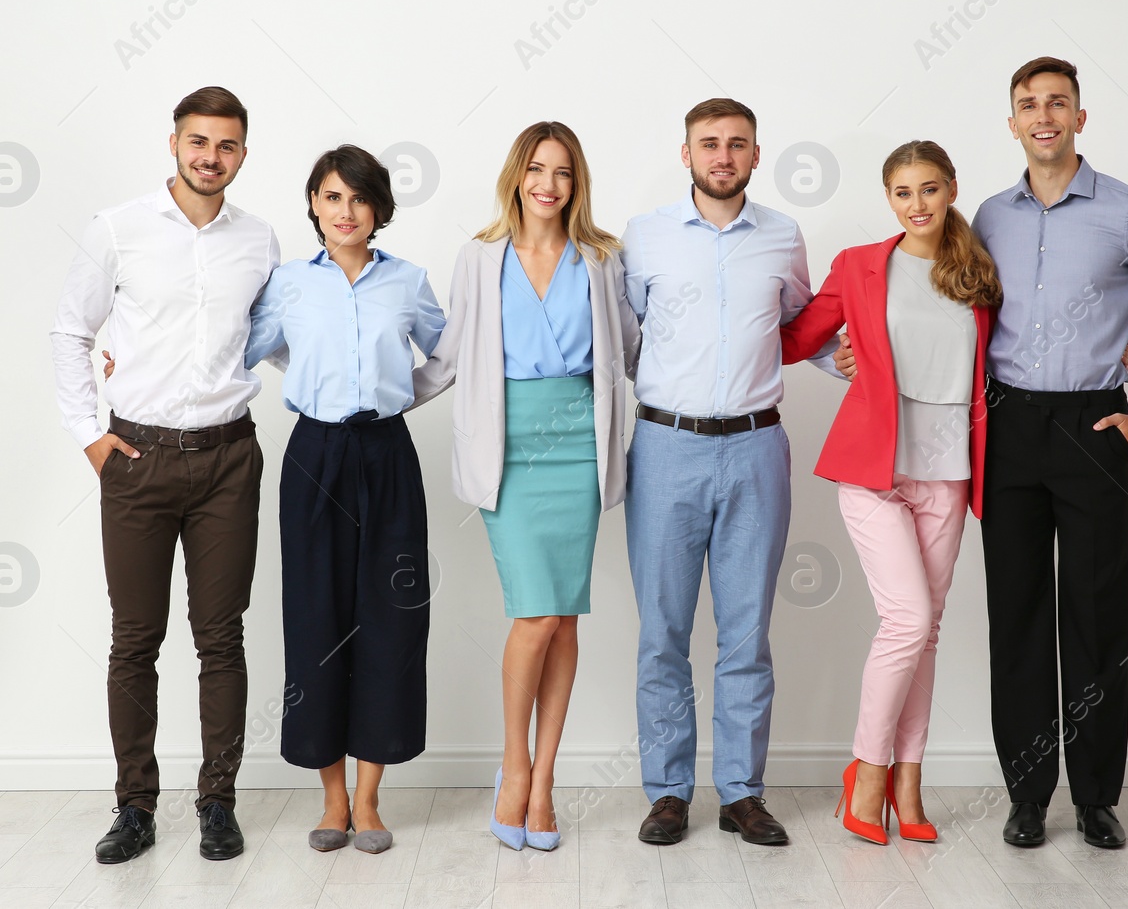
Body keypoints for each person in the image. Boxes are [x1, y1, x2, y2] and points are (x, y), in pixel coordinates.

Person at [835, 58, 1128, 850]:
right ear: (1010, 123)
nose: (1043, 115)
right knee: (1016, 616)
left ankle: (1097, 797)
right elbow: (932, 313)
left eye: (1057, 103)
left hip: (1095, 426)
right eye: (1027, 105)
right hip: (1004, 427)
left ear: (1081, 116)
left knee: (1097, 613)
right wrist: (853, 355)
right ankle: (1028, 795)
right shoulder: (984, 219)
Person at [51, 87, 278, 864]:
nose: (210, 157)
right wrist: (91, 436)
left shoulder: (261, 240)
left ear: (243, 154)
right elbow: (71, 330)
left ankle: (218, 800)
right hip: (138, 460)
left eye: (226, 145)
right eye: (197, 141)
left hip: (227, 460)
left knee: (221, 637)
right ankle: (135, 806)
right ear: (174, 143)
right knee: (134, 639)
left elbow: (277, 340)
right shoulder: (118, 228)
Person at [412, 121, 640, 851]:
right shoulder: (479, 258)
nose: (548, 183)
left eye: (563, 172)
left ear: (578, 184)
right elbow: (447, 358)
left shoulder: (604, 258)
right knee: (536, 614)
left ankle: (544, 782)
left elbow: (635, 349)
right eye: (537, 169)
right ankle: (514, 769)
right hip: (508, 446)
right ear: (516, 176)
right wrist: (363, 395)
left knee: (564, 615)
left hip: (580, 443)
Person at [621, 97, 840, 847]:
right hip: (665, 448)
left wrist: (858, 358)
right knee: (663, 631)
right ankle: (668, 792)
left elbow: (801, 326)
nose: (723, 155)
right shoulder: (645, 237)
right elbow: (624, 336)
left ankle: (743, 792)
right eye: (709, 144)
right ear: (685, 154)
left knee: (747, 634)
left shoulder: (782, 236)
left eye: (737, 144)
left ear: (756, 154)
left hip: (755, 449)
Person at [780, 141, 998, 846]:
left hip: (950, 470)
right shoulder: (860, 265)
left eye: (930, 189)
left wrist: (1105, 346)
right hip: (875, 472)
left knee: (926, 628)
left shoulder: (979, 270)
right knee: (906, 618)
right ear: (889, 199)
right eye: (903, 193)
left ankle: (910, 781)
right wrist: (837, 359)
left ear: (952, 188)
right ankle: (867, 772)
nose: (918, 204)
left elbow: (1024, 343)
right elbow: (793, 337)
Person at [244, 144, 444, 855]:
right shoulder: (291, 282)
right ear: (314, 206)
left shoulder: (408, 281)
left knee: (391, 618)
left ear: (379, 208)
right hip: (315, 457)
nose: (346, 211)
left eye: (359, 198)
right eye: (332, 197)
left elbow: (447, 355)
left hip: (387, 453)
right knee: (317, 617)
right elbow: (248, 349)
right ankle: (332, 799)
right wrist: (315, 384)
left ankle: (370, 798)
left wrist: (393, 399)